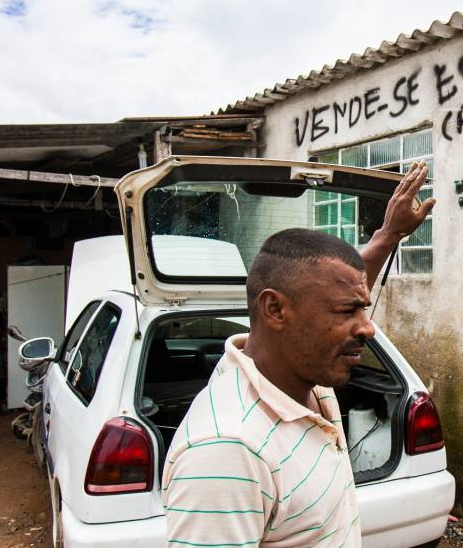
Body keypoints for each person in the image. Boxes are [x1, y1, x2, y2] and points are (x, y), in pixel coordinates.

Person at [161, 162, 435, 547]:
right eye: (347, 312)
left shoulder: (298, 375)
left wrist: (389, 235)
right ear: (275, 311)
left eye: (361, 308)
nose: (368, 327)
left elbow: (335, 297)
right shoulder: (228, 452)